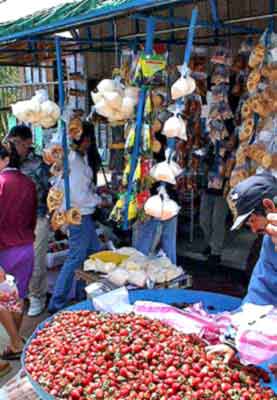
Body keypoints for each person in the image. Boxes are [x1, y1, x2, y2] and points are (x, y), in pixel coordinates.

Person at [207, 172, 277, 362]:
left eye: (253, 219)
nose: (253, 230)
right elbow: (260, 293)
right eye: (248, 224)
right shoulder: (270, 242)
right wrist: (232, 340)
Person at [48, 123, 103, 313]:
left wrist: (95, 194)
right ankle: (57, 303)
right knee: (76, 257)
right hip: (79, 215)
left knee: (92, 253)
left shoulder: (79, 158)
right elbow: (79, 195)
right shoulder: (74, 160)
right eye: (87, 139)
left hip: (82, 215)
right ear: (84, 139)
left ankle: (81, 295)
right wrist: (98, 200)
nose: (88, 143)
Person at [8, 125, 49, 317]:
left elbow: (50, 191)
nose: (12, 145)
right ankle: (18, 295)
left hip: (36, 217)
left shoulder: (39, 164)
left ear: (27, 143)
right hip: (10, 220)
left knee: (36, 260)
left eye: (15, 142)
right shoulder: (7, 160)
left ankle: (36, 296)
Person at [0, 142, 37, 359]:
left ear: (5, 159)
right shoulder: (28, 182)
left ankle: (15, 342)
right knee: (18, 296)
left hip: (4, 249)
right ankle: (15, 340)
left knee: (3, 298)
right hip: (25, 247)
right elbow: (33, 217)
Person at [200, 133, 237, 265]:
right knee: (203, 220)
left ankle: (216, 251)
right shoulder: (212, 146)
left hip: (223, 191)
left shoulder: (233, 154)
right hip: (208, 187)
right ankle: (210, 243)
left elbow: (231, 171)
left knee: (217, 221)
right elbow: (203, 162)